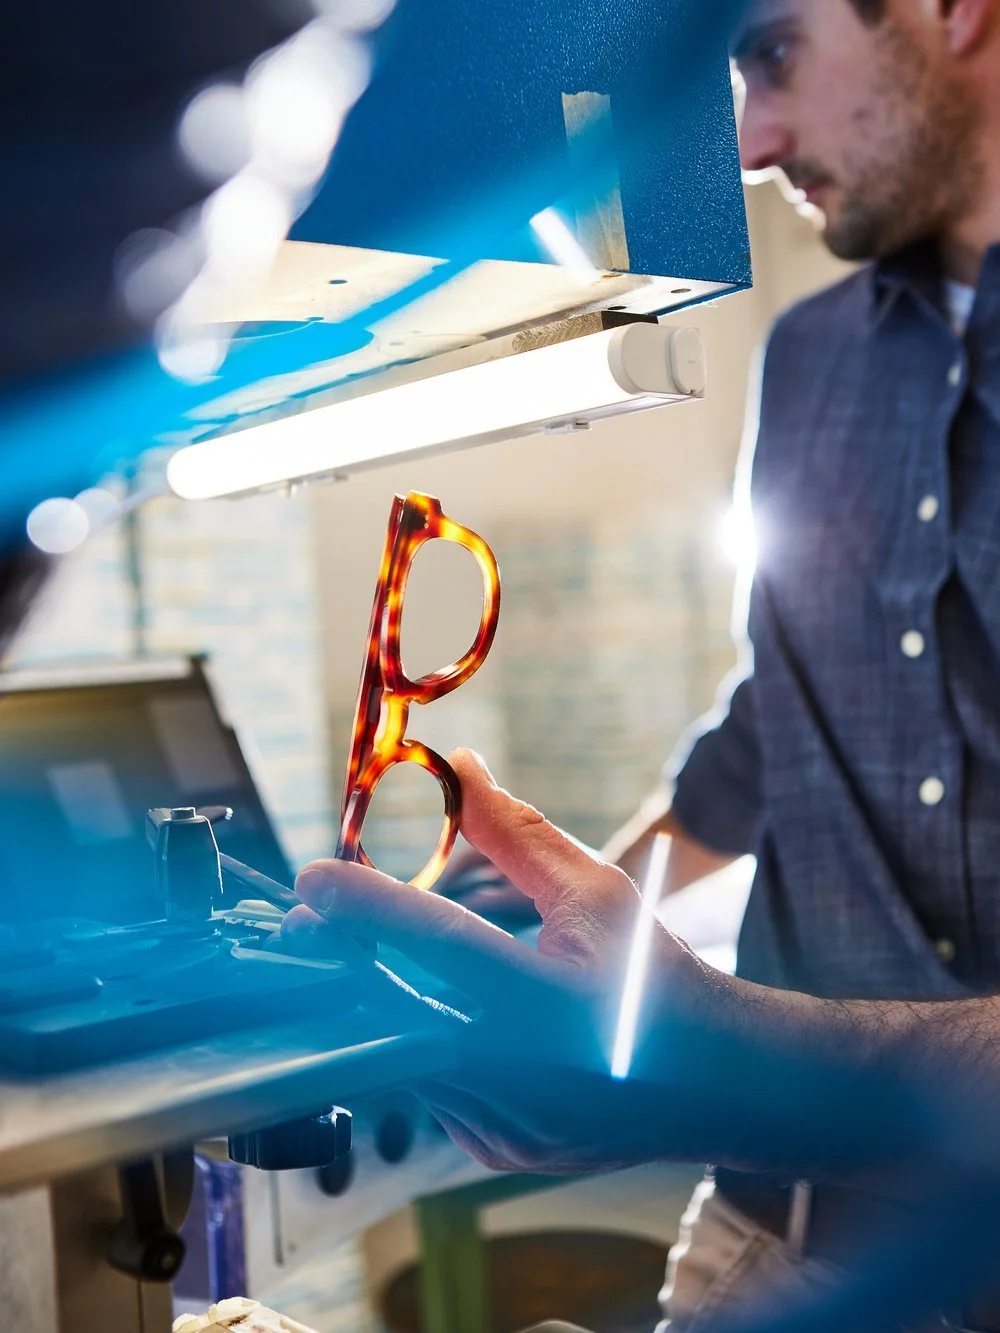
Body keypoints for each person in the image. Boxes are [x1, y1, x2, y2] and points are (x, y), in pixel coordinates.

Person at [288, 0, 1000, 1328]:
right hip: (767, 1233)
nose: (750, 140)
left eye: (773, 51)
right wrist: (533, 920)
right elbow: (775, 732)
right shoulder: (814, 359)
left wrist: (710, 1048)